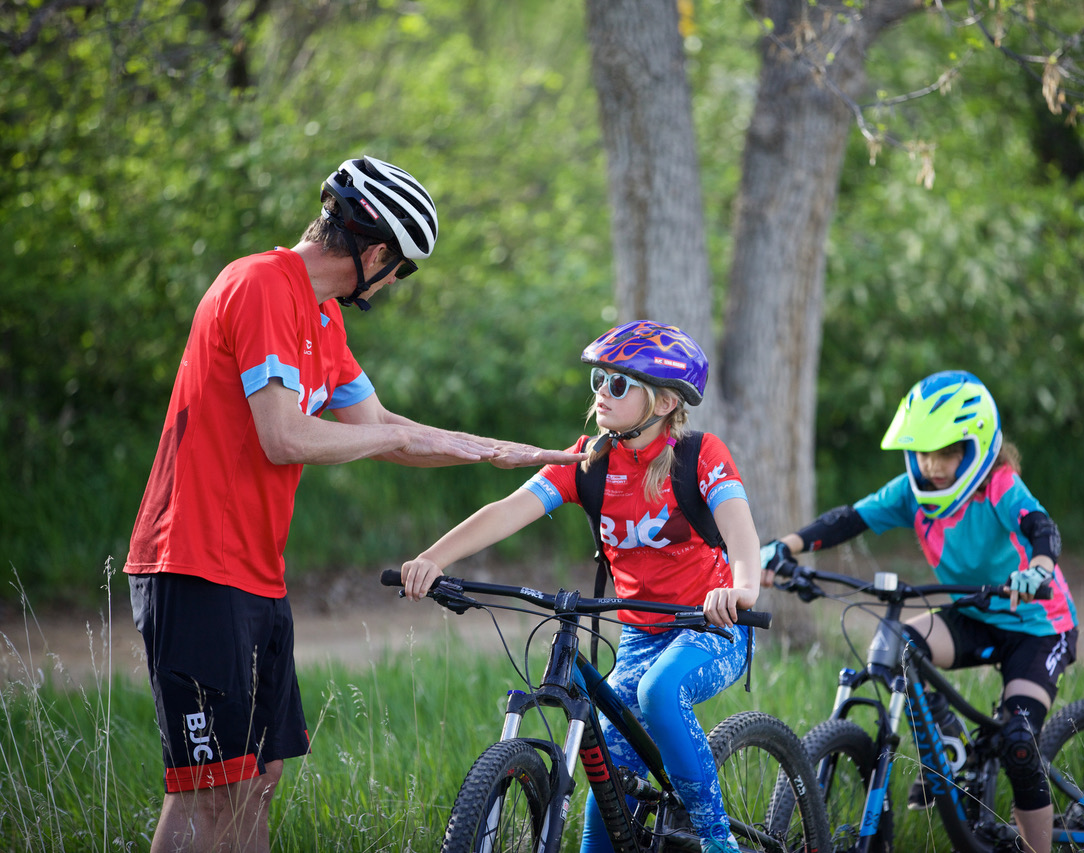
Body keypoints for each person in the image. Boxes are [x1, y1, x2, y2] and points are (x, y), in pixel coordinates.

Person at [124, 155, 585, 853]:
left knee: (260, 778)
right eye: (402, 269)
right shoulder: (260, 284)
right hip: (192, 564)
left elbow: (380, 427)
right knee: (210, 789)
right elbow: (284, 435)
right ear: (374, 254)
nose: (395, 282)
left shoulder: (322, 319)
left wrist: (491, 449)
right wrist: (398, 437)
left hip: (255, 573)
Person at [399, 320, 762, 853]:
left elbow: (741, 532)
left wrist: (742, 589)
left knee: (659, 692)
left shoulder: (700, 456)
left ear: (664, 402)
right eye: (599, 380)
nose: (602, 392)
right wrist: (433, 558)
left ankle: (717, 840)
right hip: (640, 635)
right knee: (608, 797)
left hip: (711, 627)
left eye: (618, 383)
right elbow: (507, 510)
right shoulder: (589, 462)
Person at [759, 370, 1077, 853]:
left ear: (976, 448)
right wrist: (784, 546)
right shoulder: (913, 492)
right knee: (897, 648)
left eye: (947, 452)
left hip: (1039, 626)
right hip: (975, 615)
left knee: (1018, 741)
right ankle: (949, 748)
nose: (933, 465)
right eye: (924, 452)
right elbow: (849, 518)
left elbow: (1040, 526)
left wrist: (1038, 568)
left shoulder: (998, 485)